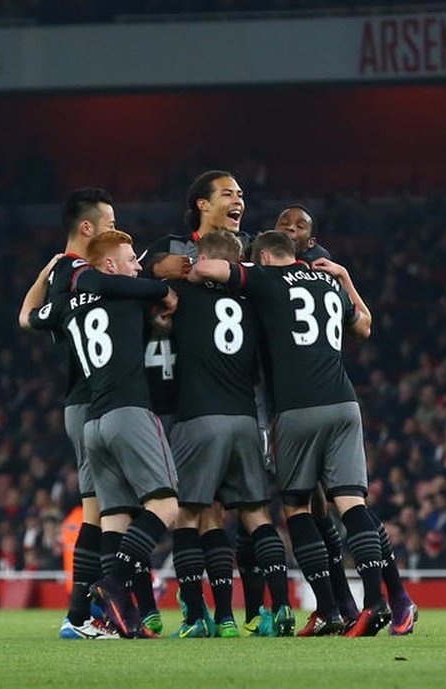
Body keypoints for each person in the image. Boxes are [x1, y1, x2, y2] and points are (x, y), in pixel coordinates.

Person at [190, 230, 390, 637]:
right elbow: (364, 326)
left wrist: (217, 267)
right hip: (346, 404)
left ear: (263, 256)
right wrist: (346, 278)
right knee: (350, 502)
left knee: (297, 508)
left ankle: (329, 610)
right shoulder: (327, 281)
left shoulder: (265, 277)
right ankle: (375, 602)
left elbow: (207, 268)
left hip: (299, 408)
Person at [19, 188, 173, 639]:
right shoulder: (80, 272)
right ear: (87, 228)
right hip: (98, 397)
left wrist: (40, 277)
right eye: (109, 224)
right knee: (103, 512)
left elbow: (27, 317)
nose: (116, 230)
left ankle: (117, 612)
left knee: (112, 511)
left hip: (89, 403)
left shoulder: (63, 278)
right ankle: (82, 612)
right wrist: (160, 286)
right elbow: (108, 285)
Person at [275, 203, 419, 635]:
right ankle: (342, 605)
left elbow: (364, 327)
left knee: (335, 503)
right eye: (284, 223)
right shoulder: (276, 267)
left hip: (306, 403)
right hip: (314, 402)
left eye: (300, 226)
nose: (291, 229)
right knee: (327, 507)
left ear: (312, 240)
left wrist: (346, 279)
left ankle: (390, 599)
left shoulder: (308, 274)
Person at [139, 170, 258, 635]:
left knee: (212, 511)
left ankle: (227, 612)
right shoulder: (170, 247)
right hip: (175, 399)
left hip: (228, 397)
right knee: (211, 510)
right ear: (201, 205)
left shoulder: (247, 249)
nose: (239, 200)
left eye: (242, 195)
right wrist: (158, 269)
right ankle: (201, 611)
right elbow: (142, 269)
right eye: (228, 194)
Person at [166, 231, 294, 638]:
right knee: (257, 514)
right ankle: (283, 607)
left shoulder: (182, 294)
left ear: (203, 258)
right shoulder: (252, 302)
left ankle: (206, 619)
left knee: (189, 515)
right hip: (245, 420)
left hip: (199, 418)